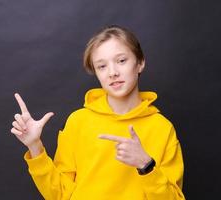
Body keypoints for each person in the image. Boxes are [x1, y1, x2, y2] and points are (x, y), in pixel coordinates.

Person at [11, 25, 185, 200]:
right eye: (102, 66)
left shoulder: (162, 128)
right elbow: (60, 194)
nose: (112, 73)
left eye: (121, 61)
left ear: (140, 63)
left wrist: (146, 165)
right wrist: (34, 146)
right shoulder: (78, 121)